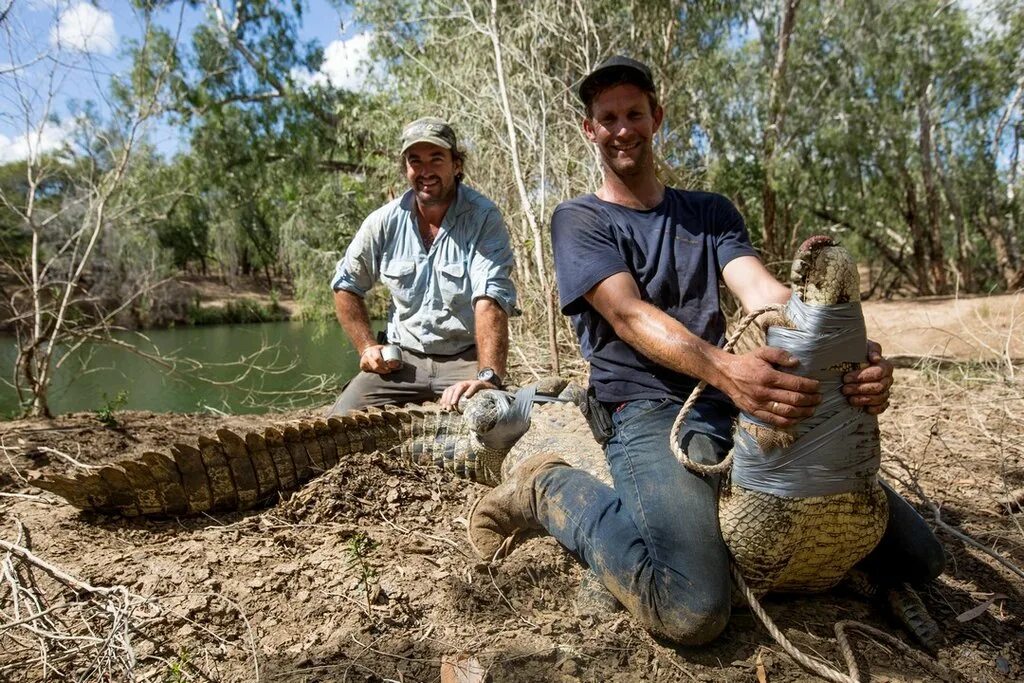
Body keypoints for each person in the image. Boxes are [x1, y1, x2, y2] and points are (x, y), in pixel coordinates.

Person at [468, 56, 945, 644]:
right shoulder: (578, 218)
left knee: (922, 559)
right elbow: (626, 313)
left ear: (656, 119)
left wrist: (837, 343)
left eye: (634, 114)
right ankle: (553, 489)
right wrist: (725, 370)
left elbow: (763, 291)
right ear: (590, 130)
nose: (623, 129)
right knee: (693, 607)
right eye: (608, 118)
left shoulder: (709, 212)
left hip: (730, 396)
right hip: (643, 409)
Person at [328, 117, 516, 415]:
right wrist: (366, 347)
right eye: (415, 161)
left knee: (495, 419)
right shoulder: (384, 221)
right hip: (402, 361)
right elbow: (345, 285)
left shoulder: (483, 217)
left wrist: (487, 376)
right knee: (338, 420)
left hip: (464, 358)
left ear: (456, 164)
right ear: (406, 169)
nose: (425, 171)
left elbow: (490, 300)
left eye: (436, 159)